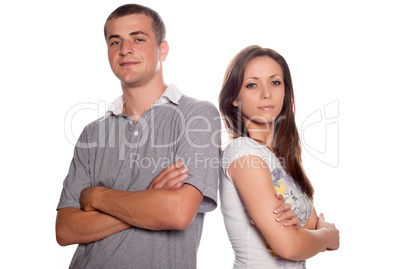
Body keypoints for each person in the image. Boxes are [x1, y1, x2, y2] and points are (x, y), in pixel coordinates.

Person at [56, 4, 301, 268]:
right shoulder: (92, 133)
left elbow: (177, 212)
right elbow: (65, 230)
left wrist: (99, 197)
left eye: (138, 38)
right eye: (115, 41)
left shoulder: (196, 117)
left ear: (163, 49)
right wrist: (149, 198)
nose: (125, 49)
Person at [219, 45, 340, 268]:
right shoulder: (244, 153)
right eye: (252, 84)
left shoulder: (279, 158)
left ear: (286, 90)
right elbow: (290, 247)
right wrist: (328, 235)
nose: (266, 93)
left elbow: (311, 226)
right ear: (233, 98)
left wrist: (312, 233)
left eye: (275, 82)